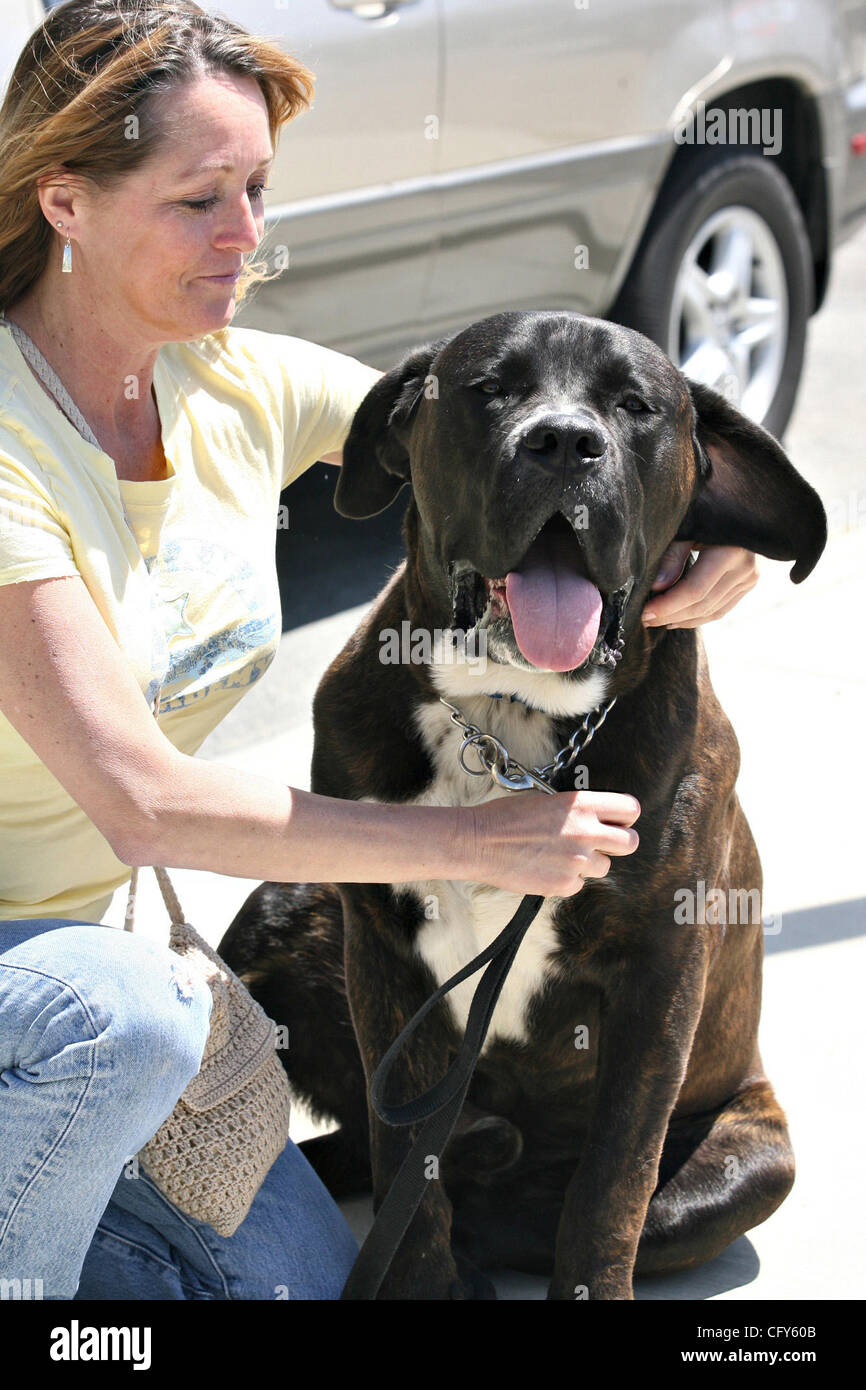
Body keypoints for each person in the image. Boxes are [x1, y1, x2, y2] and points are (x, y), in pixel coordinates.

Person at [0, 1, 760, 1301]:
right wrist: (478, 841)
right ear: (65, 203)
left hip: (72, 965)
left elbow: (506, 440)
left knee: (293, 1284)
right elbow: (142, 802)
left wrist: (692, 534)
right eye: (199, 199)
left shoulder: (234, 383)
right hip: (69, 986)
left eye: (256, 188)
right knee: (122, 1018)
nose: (247, 235)